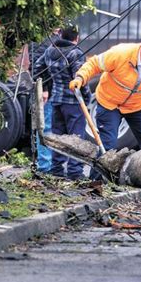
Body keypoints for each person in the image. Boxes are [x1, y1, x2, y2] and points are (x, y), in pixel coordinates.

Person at [34, 25, 91, 180]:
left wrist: (46, 87)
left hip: (56, 101)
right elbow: (80, 80)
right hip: (73, 103)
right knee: (76, 138)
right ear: (76, 38)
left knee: (58, 137)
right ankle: (75, 172)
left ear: (60, 35)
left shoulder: (50, 51)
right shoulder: (76, 53)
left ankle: (57, 170)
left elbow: (37, 68)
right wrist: (87, 98)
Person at [29, 28, 61, 173]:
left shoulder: (49, 38)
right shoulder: (44, 40)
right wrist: (45, 88)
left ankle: (47, 165)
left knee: (47, 126)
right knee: (45, 127)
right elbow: (38, 66)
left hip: (51, 89)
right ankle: (45, 166)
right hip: (46, 90)